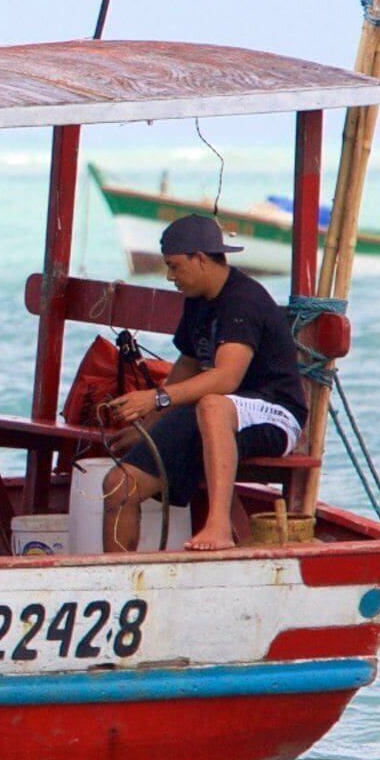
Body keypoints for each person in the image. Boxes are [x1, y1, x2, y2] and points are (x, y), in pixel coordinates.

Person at [100, 214, 306, 551]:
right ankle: (118, 581)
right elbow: (188, 363)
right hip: (215, 414)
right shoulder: (197, 301)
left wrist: (156, 398)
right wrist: (147, 428)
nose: (170, 276)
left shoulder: (243, 301)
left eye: (175, 266)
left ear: (200, 258)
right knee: (118, 485)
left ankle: (219, 527)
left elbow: (227, 378)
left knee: (213, 404)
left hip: (276, 413)